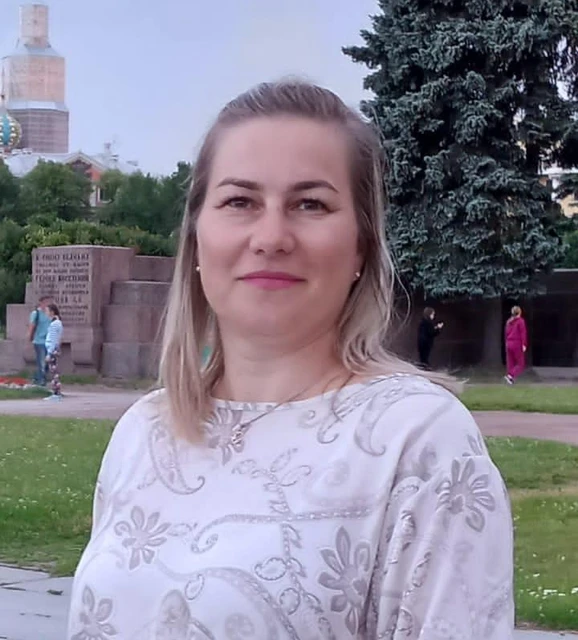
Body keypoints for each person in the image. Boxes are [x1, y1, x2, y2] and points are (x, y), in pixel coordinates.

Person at [67, 81, 514, 639]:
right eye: (240, 202)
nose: (272, 236)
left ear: (361, 245)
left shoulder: (417, 441)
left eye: (310, 204)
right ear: (197, 237)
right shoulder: (145, 432)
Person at [27, 295, 51, 386]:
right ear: (41, 303)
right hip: (39, 340)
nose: (47, 304)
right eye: (45, 302)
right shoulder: (36, 313)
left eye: (48, 302)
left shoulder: (49, 313)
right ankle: (41, 381)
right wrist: (30, 337)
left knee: (48, 362)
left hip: (49, 341)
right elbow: (32, 326)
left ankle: (37, 377)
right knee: (42, 361)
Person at [504, 305, 528, 385]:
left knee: (510, 362)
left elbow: (506, 333)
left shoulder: (509, 322)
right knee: (520, 364)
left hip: (509, 343)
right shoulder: (521, 321)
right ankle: (510, 375)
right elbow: (523, 333)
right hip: (517, 343)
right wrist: (524, 344)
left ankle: (510, 379)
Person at [44, 303, 63, 401]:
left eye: (47, 311)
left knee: (54, 372)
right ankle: (56, 392)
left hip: (52, 350)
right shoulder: (57, 323)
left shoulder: (54, 324)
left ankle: (56, 393)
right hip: (55, 349)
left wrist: (49, 353)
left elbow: (53, 339)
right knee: (55, 372)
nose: (46, 313)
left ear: (52, 312)